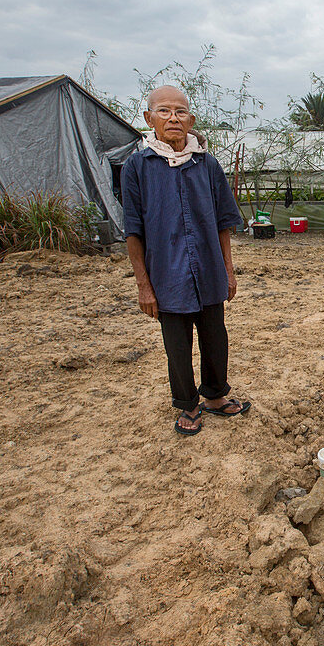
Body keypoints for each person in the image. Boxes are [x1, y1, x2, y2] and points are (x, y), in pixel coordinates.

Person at [121, 85, 250, 435]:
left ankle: (214, 396)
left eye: (180, 112)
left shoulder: (207, 164)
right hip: (167, 273)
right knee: (176, 345)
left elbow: (224, 222)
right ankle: (187, 404)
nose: (173, 118)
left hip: (208, 269)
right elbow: (133, 230)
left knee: (214, 336)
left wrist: (228, 270)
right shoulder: (137, 166)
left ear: (191, 120)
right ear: (149, 119)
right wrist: (144, 286)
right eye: (164, 111)